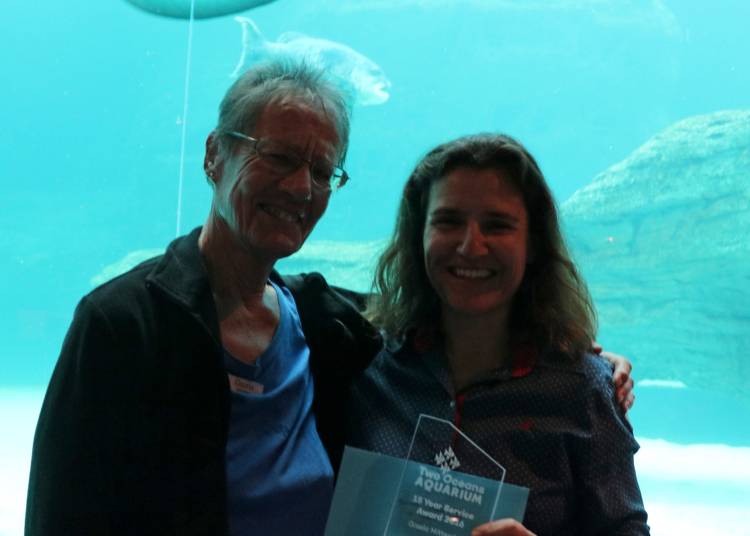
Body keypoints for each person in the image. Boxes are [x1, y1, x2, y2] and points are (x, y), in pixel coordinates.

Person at [25, 60, 634, 535]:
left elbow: (448, 305)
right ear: (214, 154)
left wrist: (583, 359)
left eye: (322, 171)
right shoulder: (122, 324)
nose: (300, 187)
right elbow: (60, 515)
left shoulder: (326, 326)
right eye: (279, 157)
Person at [348, 134, 649, 535]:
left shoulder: (583, 389)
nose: (471, 246)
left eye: (497, 225)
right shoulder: (366, 360)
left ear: (533, 244)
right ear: (418, 234)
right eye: (448, 221)